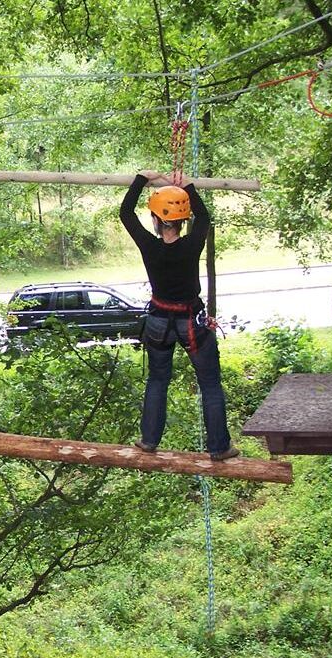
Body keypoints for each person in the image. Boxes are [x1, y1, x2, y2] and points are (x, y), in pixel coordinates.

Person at [119, 171, 238, 461]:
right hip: (190, 321)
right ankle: (219, 447)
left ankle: (149, 439)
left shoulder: (149, 245)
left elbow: (125, 213)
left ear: (157, 221)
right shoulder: (192, 243)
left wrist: (140, 180)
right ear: (184, 222)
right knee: (209, 383)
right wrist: (188, 186)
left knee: (158, 379)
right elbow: (205, 218)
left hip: (159, 320)